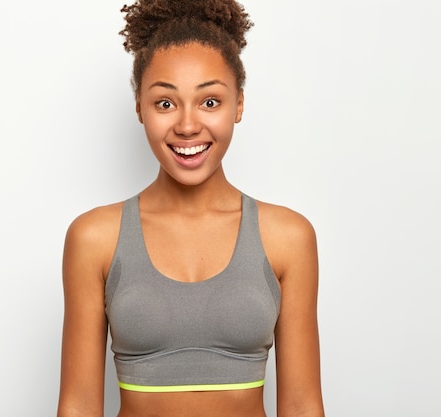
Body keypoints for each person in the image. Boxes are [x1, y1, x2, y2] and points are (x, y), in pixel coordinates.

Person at [56, 1, 325, 416]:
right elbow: (79, 405)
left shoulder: (287, 237)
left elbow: (302, 406)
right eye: (165, 103)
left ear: (238, 104)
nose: (186, 125)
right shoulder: (95, 238)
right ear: (139, 108)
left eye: (210, 102)